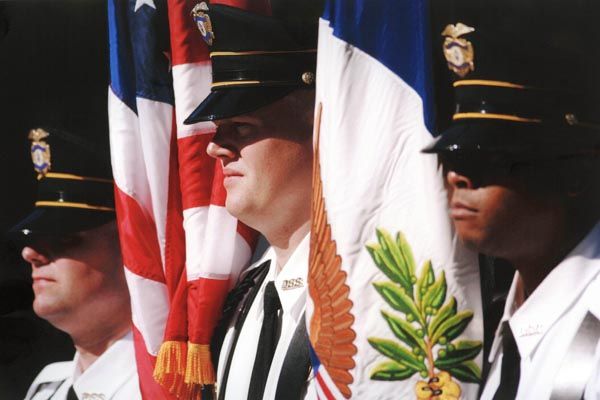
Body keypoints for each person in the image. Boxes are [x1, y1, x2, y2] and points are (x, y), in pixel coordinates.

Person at [424, 1, 600, 398]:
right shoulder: (517, 314)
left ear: (573, 170)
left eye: (488, 157)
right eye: (453, 155)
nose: (456, 176)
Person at [184, 1, 322, 399]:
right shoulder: (238, 300)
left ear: (317, 130)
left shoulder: (365, 286)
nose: (216, 148)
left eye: (242, 127)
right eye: (219, 129)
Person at [8, 128, 141, 400]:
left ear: (134, 252)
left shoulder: (172, 387)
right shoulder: (47, 388)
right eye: (35, 239)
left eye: (64, 239)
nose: (29, 253)